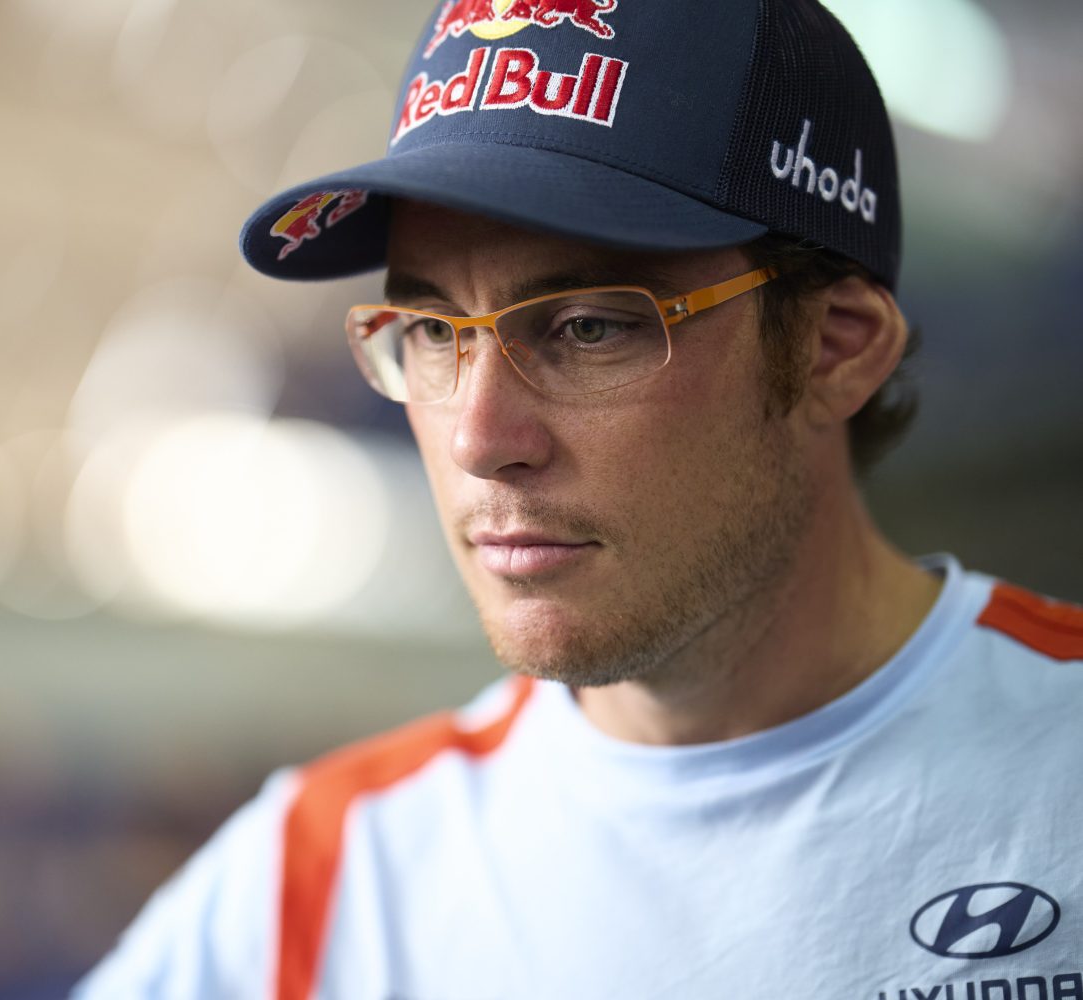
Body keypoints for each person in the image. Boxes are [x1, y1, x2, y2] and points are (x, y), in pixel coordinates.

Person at [77, 1, 1083, 996]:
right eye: (433, 332)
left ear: (835, 348)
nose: (478, 439)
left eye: (589, 327)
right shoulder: (313, 888)